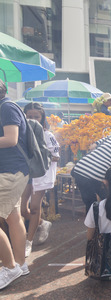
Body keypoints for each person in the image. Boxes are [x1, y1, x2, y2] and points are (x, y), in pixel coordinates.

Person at [0, 79, 30, 289]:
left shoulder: (7, 107)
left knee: (13, 217)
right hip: (11, 171)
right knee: (13, 217)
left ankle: (10, 268)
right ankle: (20, 263)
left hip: (11, 171)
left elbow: (11, 139)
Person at [21, 102, 60, 257]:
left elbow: (56, 156)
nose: (32, 119)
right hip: (26, 174)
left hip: (41, 174)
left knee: (35, 207)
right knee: (23, 210)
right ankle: (43, 223)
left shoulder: (47, 135)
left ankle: (28, 242)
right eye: (29, 116)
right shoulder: (20, 133)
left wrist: (41, 154)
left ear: (42, 118)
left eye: (36, 117)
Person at [71, 135, 111, 213]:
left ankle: (93, 223)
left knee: (91, 204)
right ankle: (103, 223)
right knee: (108, 203)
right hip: (97, 176)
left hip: (80, 168)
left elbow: (92, 147)